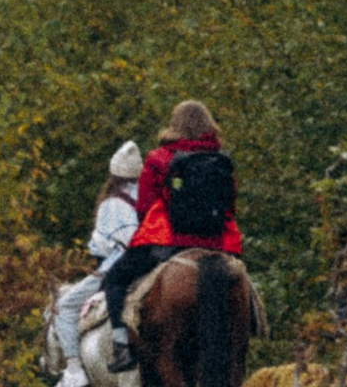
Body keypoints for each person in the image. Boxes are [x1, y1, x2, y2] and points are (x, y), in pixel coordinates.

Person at [101, 99, 243, 370]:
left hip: (167, 240)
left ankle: (121, 347)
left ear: (174, 125)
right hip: (217, 242)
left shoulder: (158, 158)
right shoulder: (221, 160)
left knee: (116, 279)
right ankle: (252, 331)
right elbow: (231, 204)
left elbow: (144, 206)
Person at [50, 138, 143, 387]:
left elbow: (103, 248)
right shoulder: (148, 196)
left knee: (64, 307)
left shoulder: (111, 203)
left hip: (115, 267)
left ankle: (74, 370)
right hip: (151, 261)